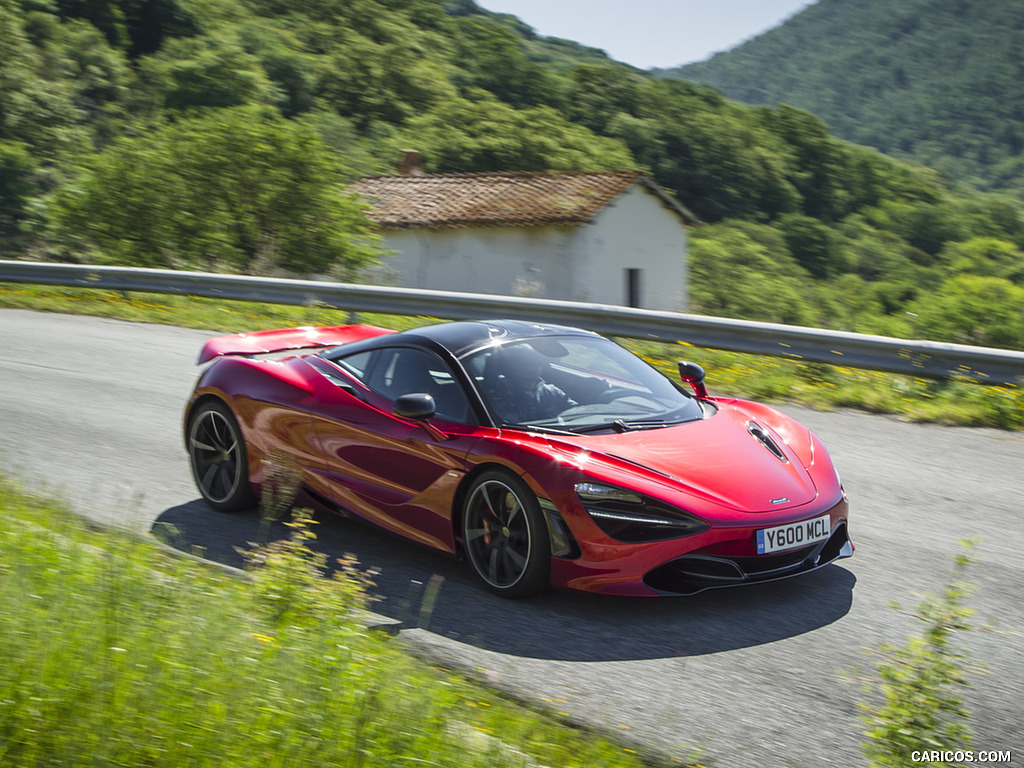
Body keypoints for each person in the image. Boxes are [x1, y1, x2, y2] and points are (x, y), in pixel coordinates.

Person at [487, 344, 575, 424]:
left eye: (537, 364)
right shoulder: (500, 396)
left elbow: (578, 410)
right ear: (513, 368)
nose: (535, 369)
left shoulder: (551, 391)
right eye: (528, 365)